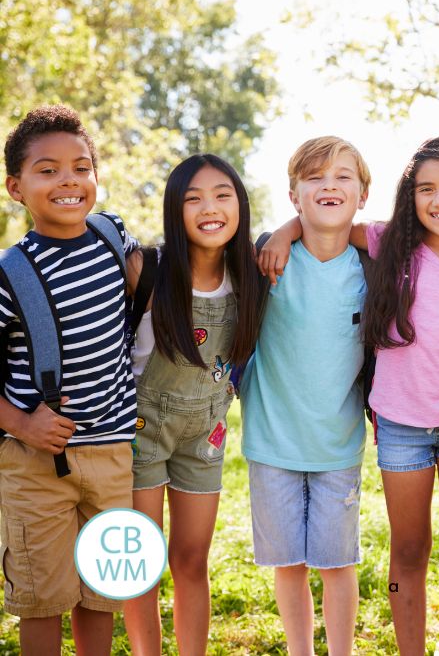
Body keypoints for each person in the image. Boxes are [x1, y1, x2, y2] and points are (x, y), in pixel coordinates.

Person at [260, 136, 439, 655]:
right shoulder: (388, 243)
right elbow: (327, 220)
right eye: (427, 188)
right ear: (409, 194)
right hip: (400, 425)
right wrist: (283, 229)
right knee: (407, 551)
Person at [0, 105, 139, 655]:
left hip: (112, 455)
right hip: (35, 464)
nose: (68, 181)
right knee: (42, 596)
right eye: (48, 169)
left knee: (102, 591)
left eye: (81, 167)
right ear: (16, 187)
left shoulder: (114, 237)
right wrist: (21, 423)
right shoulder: (10, 273)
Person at [123, 154, 261, 656]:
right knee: (141, 562)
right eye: (193, 198)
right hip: (140, 430)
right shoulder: (147, 268)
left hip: (206, 436)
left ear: (240, 205)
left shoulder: (250, 276)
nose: (210, 208)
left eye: (223, 195)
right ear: (174, 210)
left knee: (191, 561)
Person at [241, 136, 371, 656]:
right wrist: (282, 232)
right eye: (315, 177)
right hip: (272, 440)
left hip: (338, 443)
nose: (329, 185)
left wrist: (289, 225)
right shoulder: (268, 262)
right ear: (294, 194)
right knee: (288, 565)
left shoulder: (371, 265)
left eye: (343, 176)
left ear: (363, 194)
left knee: (338, 564)